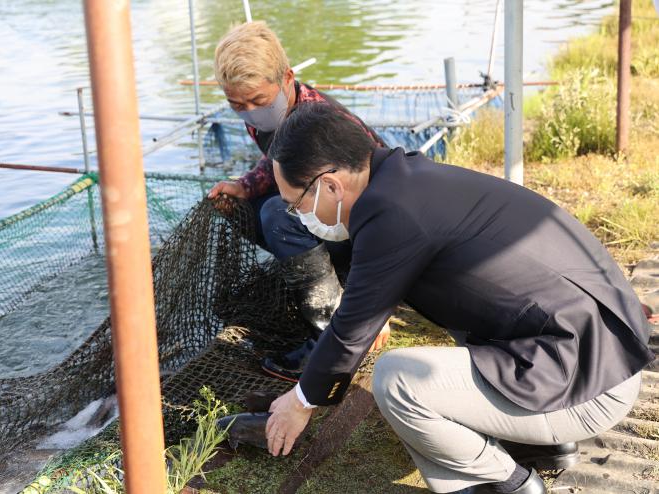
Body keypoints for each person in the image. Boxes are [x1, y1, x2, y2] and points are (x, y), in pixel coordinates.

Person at [264, 103, 654, 494]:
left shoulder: (392, 215)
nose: (298, 217)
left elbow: (350, 333)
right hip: (598, 350)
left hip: (591, 384)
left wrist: (301, 401)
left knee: (397, 379)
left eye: (297, 205)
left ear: (331, 185)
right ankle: (547, 443)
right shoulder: (406, 177)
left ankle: (504, 482)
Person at [207, 21, 389, 382]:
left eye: (258, 101)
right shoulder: (266, 115)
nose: (249, 111)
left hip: (375, 226)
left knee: (278, 213)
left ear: (287, 78)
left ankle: (335, 333)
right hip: (330, 214)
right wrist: (245, 185)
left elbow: (377, 200)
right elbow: (276, 157)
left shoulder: (319, 123)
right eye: (236, 104)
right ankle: (328, 280)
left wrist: (372, 298)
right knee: (243, 207)